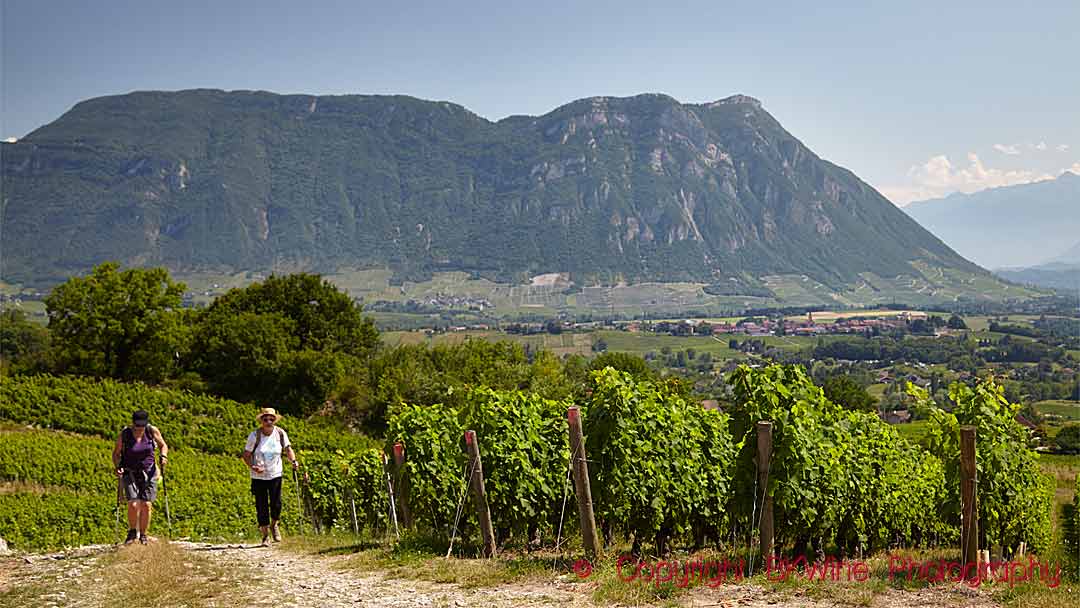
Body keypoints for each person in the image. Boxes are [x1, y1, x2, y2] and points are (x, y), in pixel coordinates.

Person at [242, 407, 299, 546]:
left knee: (276, 504)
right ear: (261, 420)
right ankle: (265, 536)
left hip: (275, 474)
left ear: (274, 420)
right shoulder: (254, 436)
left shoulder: (280, 433)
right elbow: (246, 455)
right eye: (265, 419)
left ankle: (274, 525)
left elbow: (288, 449)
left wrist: (293, 461)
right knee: (261, 505)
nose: (268, 421)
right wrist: (253, 467)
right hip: (258, 476)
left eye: (271, 419)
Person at [112, 410, 169, 545]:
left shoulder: (151, 431)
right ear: (133, 423)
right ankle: (132, 532)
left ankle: (143, 534)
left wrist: (164, 456)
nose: (140, 428)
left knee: (146, 504)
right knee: (133, 503)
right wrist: (117, 466)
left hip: (149, 472)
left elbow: (163, 445)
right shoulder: (125, 434)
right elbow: (116, 453)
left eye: (142, 425)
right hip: (129, 471)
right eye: (137, 425)